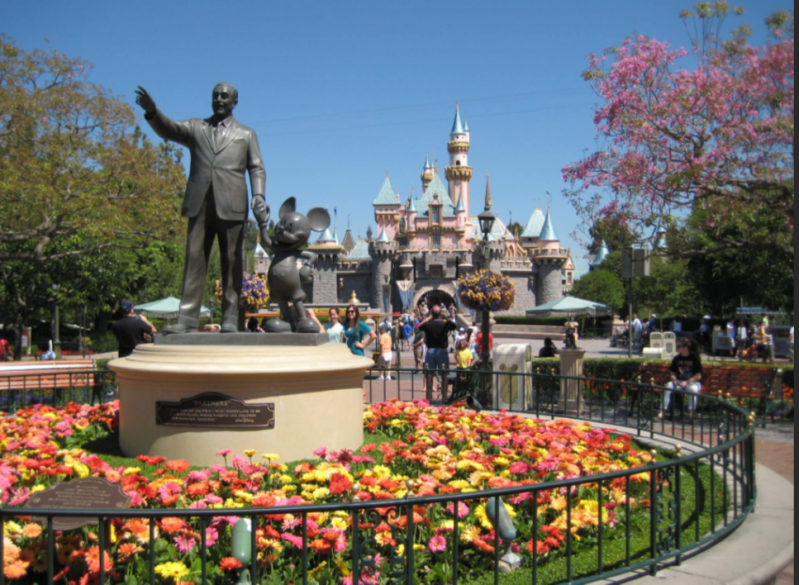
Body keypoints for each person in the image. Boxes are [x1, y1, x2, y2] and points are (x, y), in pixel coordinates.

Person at [135, 83, 266, 334]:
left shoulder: (247, 134)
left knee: (232, 262)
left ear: (234, 103)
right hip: (200, 203)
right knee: (194, 259)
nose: (219, 100)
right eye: (215, 96)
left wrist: (258, 195)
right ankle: (187, 318)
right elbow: (169, 128)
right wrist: (152, 112)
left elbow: (257, 167)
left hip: (233, 204)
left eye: (224, 96)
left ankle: (229, 318)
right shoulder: (196, 127)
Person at [419, 304, 457, 402]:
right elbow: (454, 326)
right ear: (440, 313)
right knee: (444, 374)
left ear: (431, 313)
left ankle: (429, 397)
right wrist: (446, 317)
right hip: (442, 350)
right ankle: (444, 397)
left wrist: (428, 318)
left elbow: (419, 327)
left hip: (431, 350)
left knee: (430, 373)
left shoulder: (427, 324)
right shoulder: (445, 324)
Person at [658, 338, 702, 419]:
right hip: (679, 382)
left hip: (692, 382)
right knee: (667, 387)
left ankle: (691, 414)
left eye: (678, 346)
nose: (677, 348)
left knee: (692, 390)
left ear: (685, 348)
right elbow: (672, 373)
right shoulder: (676, 358)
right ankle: (662, 412)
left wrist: (687, 382)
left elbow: (698, 376)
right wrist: (674, 379)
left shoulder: (694, 358)